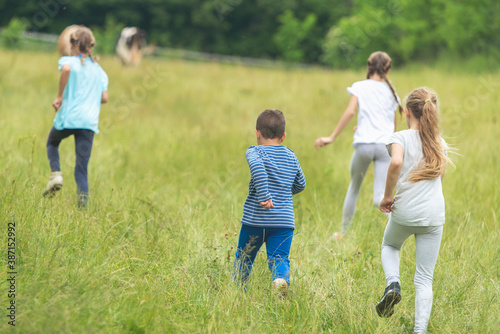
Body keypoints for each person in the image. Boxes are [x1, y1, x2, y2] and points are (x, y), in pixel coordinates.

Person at [375, 88, 452, 334]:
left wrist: (387, 196)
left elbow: (396, 162)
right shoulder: (439, 143)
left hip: (406, 211)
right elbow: (439, 182)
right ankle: (419, 331)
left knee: (390, 246)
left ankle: (393, 284)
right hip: (433, 215)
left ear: (407, 111)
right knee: (424, 279)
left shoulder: (400, 137)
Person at [314, 51, 402, 238]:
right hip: (384, 146)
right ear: (388, 69)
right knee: (380, 196)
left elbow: (350, 112)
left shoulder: (359, 86)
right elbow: (391, 125)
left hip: (364, 144)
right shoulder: (391, 92)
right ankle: (398, 232)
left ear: (368, 67)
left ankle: (344, 233)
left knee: (354, 187)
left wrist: (332, 137)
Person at [234, 109, 306, 293]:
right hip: (284, 221)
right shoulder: (291, 155)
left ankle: (238, 293)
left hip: (255, 220)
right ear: (283, 136)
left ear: (257, 133)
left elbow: (257, 169)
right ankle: (281, 282)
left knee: (244, 257)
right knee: (280, 258)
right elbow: (301, 184)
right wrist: (283, 193)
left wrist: (265, 195)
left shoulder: (255, 152)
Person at [43, 26, 109, 207]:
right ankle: (82, 209)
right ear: (90, 46)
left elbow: (65, 69)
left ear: (72, 45)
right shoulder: (98, 70)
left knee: (52, 142)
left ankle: (56, 174)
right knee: (81, 169)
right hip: (88, 123)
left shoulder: (68, 61)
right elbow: (105, 97)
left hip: (69, 118)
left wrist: (59, 96)